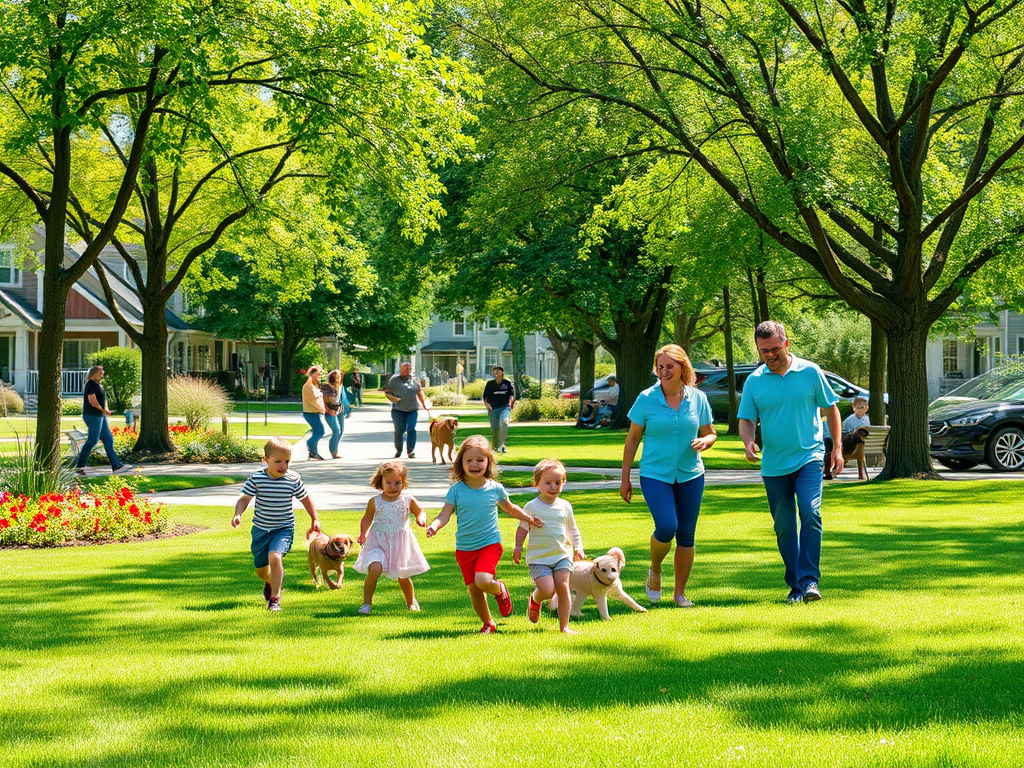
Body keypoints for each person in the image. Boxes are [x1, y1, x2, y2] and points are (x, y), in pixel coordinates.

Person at [738, 320, 843, 604]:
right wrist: (748, 441)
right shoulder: (754, 381)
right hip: (774, 465)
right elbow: (746, 419)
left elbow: (831, 409)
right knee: (784, 526)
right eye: (763, 351)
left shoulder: (810, 371)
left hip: (809, 456)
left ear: (786, 344)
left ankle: (809, 581)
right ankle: (796, 585)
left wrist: (837, 448)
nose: (770, 356)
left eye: (774, 349)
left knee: (811, 512)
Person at [621, 344, 716, 608]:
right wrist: (625, 477)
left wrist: (705, 441)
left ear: (682, 367)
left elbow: (711, 432)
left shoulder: (698, 398)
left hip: (691, 475)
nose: (663, 372)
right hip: (655, 474)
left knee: (686, 535)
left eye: (669, 367)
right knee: (666, 526)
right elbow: (632, 440)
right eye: (660, 367)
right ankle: (655, 569)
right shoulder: (646, 398)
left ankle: (679, 594)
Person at [425, 435, 542, 633]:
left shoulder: (495, 489)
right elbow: (444, 515)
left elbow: (511, 509)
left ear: (488, 462)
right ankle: (488, 623)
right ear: (460, 463)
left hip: (490, 544)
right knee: (474, 589)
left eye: (480, 460)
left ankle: (500, 590)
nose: (474, 464)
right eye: (468, 460)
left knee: (483, 580)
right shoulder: (456, 490)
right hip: (464, 548)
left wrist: (529, 518)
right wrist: (434, 526)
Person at [231, 437, 321, 612]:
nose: (283, 465)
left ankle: (275, 599)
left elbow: (305, 499)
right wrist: (237, 514)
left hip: (284, 528)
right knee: (261, 570)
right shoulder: (257, 479)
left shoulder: (293, 479)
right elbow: (244, 499)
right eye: (278, 461)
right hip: (260, 530)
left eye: (287, 461)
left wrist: (314, 518)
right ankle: (270, 582)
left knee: (275, 556)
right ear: (266, 460)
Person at [513, 458, 585, 634]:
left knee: (563, 587)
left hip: (562, 555)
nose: (553, 486)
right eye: (548, 483)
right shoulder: (531, 507)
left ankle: (564, 627)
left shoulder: (565, 506)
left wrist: (578, 547)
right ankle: (536, 600)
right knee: (547, 589)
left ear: (563, 483)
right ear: (536, 483)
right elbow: (522, 529)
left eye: (558, 482)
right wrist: (518, 547)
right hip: (539, 558)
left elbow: (572, 529)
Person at [353, 460, 430, 614]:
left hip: (399, 544)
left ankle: (411, 602)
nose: (393, 487)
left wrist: (421, 518)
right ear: (380, 482)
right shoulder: (375, 502)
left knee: (403, 575)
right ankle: (366, 603)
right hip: (378, 542)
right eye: (388, 483)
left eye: (398, 483)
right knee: (374, 568)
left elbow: (420, 511)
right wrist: (363, 533)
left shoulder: (407, 500)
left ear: (404, 482)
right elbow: (367, 518)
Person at [75, 364, 134, 476]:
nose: (103, 374)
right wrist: (103, 411)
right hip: (92, 415)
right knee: (92, 440)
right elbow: (92, 401)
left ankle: (116, 465)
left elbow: (101, 400)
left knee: (108, 439)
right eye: (101, 372)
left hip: (99, 415)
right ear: (95, 372)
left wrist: (105, 410)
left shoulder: (97, 384)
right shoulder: (90, 384)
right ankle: (79, 466)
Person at [384, 362, 428, 459]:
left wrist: (424, 403)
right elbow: (387, 392)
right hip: (398, 410)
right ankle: (399, 449)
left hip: (412, 409)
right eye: (404, 369)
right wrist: (393, 398)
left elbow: (419, 392)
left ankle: (411, 450)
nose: (406, 371)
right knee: (399, 430)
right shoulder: (394, 380)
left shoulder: (415, 380)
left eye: (408, 369)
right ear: (400, 370)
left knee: (411, 428)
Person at [482, 365, 516, 453]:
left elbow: (511, 395)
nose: (497, 373)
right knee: (495, 429)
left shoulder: (507, 383)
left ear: (502, 372)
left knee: (504, 423)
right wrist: (488, 407)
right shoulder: (490, 384)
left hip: (505, 407)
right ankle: (494, 447)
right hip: (493, 409)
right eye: (495, 372)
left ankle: (503, 445)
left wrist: (510, 405)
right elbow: (485, 398)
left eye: (498, 371)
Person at [301, 366, 327, 460]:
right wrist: (320, 408)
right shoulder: (308, 386)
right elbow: (311, 400)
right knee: (320, 431)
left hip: (315, 412)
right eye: (317, 374)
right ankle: (310, 444)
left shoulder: (314, 385)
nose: (318, 376)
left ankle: (313, 452)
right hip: (310, 412)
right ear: (312, 374)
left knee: (317, 431)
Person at [320, 369, 345, 460]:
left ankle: (336, 451)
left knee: (341, 431)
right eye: (337, 376)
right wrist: (327, 410)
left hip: (339, 410)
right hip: (330, 411)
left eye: (339, 376)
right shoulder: (326, 387)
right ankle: (333, 452)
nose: (339, 378)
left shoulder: (337, 386)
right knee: (336, 431)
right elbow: (323, 400)